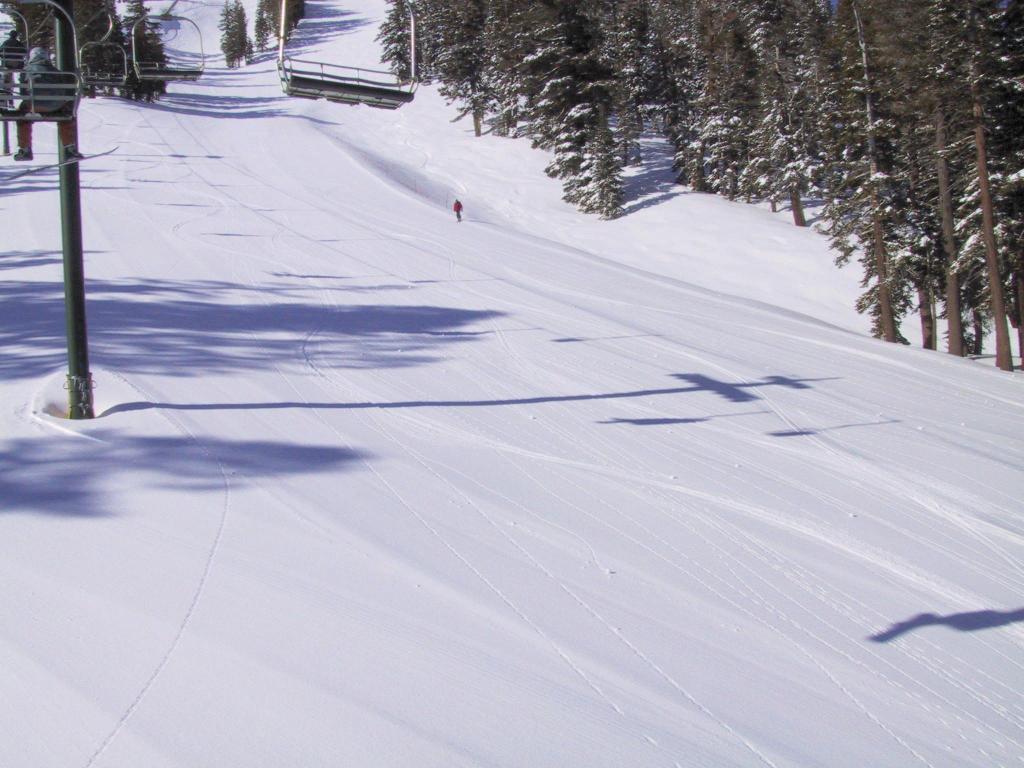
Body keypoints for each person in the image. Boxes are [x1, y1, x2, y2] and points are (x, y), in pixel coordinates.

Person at [12, 47, 80, 162]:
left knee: (22, 116)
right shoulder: (56, 71)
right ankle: (69, 148)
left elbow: (24, 92)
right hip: (56, 106)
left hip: (34, 106)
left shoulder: (26, 70)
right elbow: (64, 91)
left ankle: (25, 148)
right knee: (67, 116)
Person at [0, 28, 26, 108]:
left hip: (7, 65)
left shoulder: (6, 43)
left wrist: (4, 58)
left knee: (7, 83)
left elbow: (0, 51)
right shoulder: (19, 43)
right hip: (18, 65)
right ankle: (22, 88)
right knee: (22, 77)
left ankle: (8, 101)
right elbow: (24, 52)